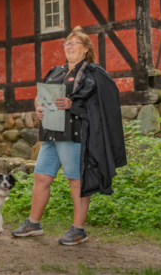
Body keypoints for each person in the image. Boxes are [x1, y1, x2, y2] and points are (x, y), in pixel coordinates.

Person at [11, 26, 127, 245]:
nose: (69, 46)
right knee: (41, 177)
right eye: (66, 43)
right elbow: (41, 95)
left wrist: (72, 104)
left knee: (77, 181)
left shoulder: (94, 73)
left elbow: (101, 104)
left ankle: (79, 229)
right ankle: (33, 224)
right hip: (51, 133)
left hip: (75, 134)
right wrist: (37, 107)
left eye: (74, 43)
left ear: (86, 49)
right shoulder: (56, 71)